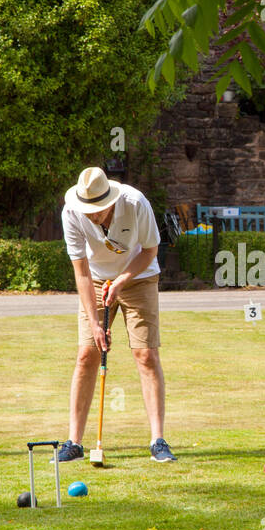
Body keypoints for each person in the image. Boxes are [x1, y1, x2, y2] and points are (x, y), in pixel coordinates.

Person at [58, 166, 176, 463]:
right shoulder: (72, 212)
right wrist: (96, 323)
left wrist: (122, 281)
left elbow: (150, 250)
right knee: (87, 354)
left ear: (110, 200)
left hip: (139, 277)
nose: (92, 215)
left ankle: (158, 441)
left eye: (97, 209)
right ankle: (74, 442)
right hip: (96, 280)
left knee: (146, 354)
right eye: (88, 209)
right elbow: (81, 271)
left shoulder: (136, 203)